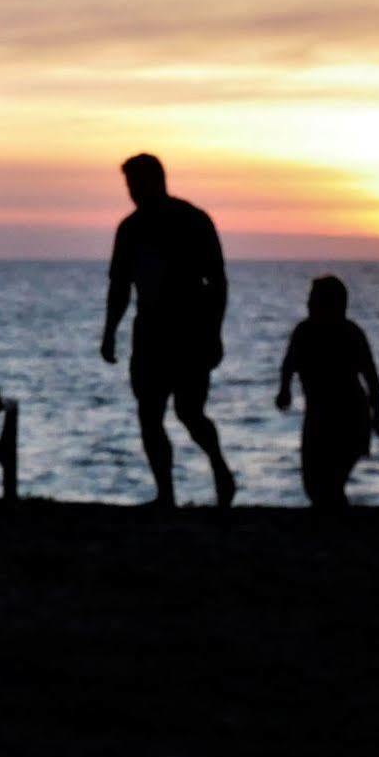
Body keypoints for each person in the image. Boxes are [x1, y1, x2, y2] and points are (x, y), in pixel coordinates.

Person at [101, 153, 237, 508]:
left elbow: (218, 281)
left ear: (156, 181)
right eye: (128, 185)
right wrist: (109, 331)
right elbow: (120, 286)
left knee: (189, 413)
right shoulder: (129, 229)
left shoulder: (192, 221)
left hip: (189, 331)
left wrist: (214, 331)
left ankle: (220, 471)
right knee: (150, 414)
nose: (132, 192)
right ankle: (166, 493)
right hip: (149, 332)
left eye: (136, 184)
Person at [276, 275, 379, 510]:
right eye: (310, 299)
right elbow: (289, 364)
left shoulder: (350, 334)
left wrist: (377, 418)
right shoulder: (304, 331)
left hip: (350, 419)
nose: (308, 304)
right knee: (315, 486)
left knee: (330, 484)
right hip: (317, 418)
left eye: (314, 299)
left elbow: (371, 378)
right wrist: (284, 391)